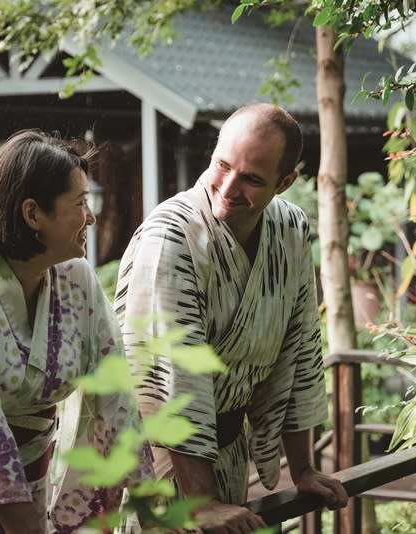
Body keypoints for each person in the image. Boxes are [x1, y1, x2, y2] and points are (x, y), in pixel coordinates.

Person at [115, 103, 348, 532]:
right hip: (162, 462)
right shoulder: (171, 235)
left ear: (286, 182)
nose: (227, 186)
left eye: (252, 179)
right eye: (221, 165)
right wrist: (201, 503)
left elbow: (300, 348)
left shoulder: (291, 228)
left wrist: (304, 469)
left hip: (228, 450)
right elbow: (173, 375)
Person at [0, 130, 152, 533]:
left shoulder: (77, 278)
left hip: (36, 493)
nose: (91, 217)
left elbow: (117, 399)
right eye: (80, 204)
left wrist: (156, 515)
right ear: (32, 214)